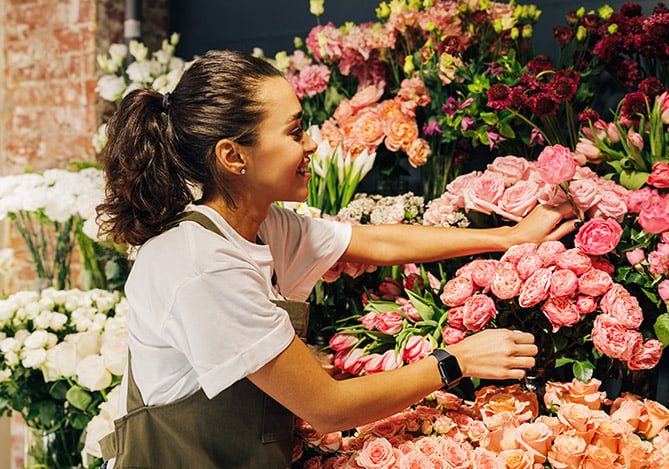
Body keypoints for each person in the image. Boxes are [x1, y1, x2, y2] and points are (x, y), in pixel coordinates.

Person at [96, 50, 577, 468]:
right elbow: (328, 408)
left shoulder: (262, 223)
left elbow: (378, 243)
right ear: (233, 156)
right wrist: (458, 360)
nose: (311, 144)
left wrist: (508, 235)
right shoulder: (201, 266)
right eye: (294, 131)